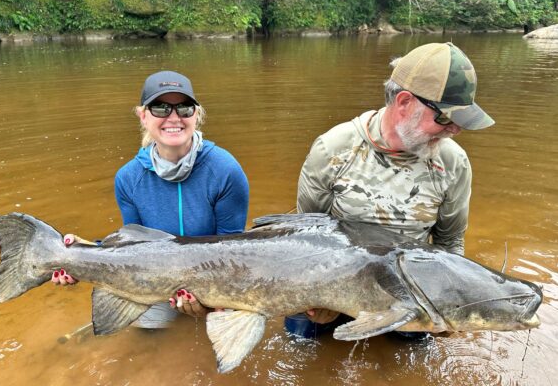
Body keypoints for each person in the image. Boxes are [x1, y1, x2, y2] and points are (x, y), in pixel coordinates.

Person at [285, 42, 495, 338]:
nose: (455, 130)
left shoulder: (453, 162)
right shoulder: (333, 149)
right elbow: (306, 235)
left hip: (409, 293)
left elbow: (449, 242)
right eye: (446, 118)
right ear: (405, 102)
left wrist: (450, 302)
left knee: (413, 355)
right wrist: (316, 297)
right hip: (331, 281)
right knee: (300, 340)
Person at [54, 70, 249, 327]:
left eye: (184, 108)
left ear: (196, 115)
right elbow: (133, 247)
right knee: (147, 324)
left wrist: (211, 300)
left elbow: (231, 254)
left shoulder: (226, 170)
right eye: (160, 108)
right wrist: (84, 252)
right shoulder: (128, 178)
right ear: (143, 116)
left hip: (212, 277)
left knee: (230, 314)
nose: (174, 117)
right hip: (157, 278)